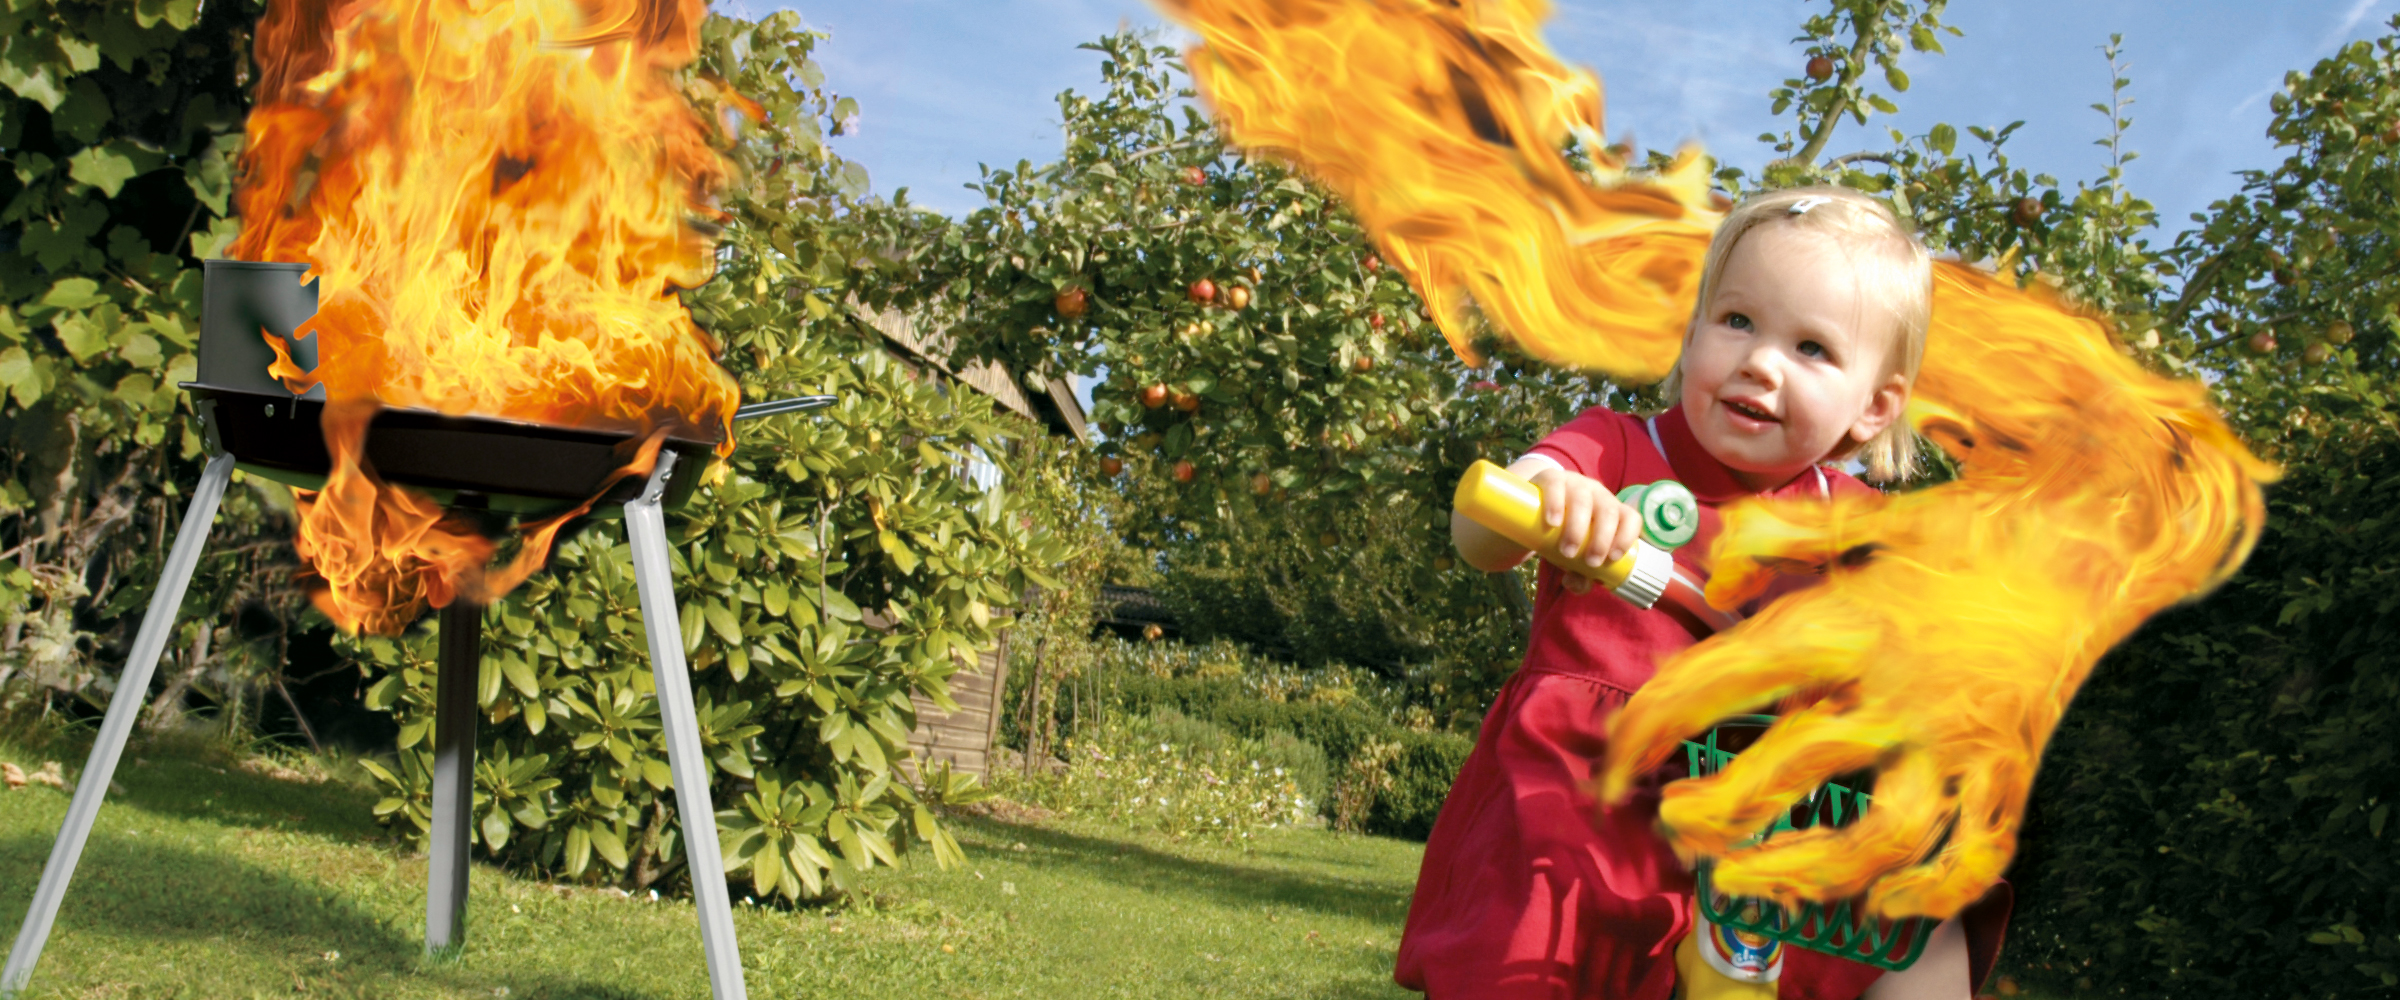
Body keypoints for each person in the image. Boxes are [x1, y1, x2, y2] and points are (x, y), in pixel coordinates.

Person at [1394, 186, 2008, 1000]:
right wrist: (1554, 499)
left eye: (1813, 348)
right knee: (1527, 958)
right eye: (1738, 322)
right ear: (1693, 333)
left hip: (1750, 821)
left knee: (1928, 918)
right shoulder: (1613, 447)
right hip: (1579, 797)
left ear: (1874, 407)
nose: (1760, 361)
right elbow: (1484, 532)